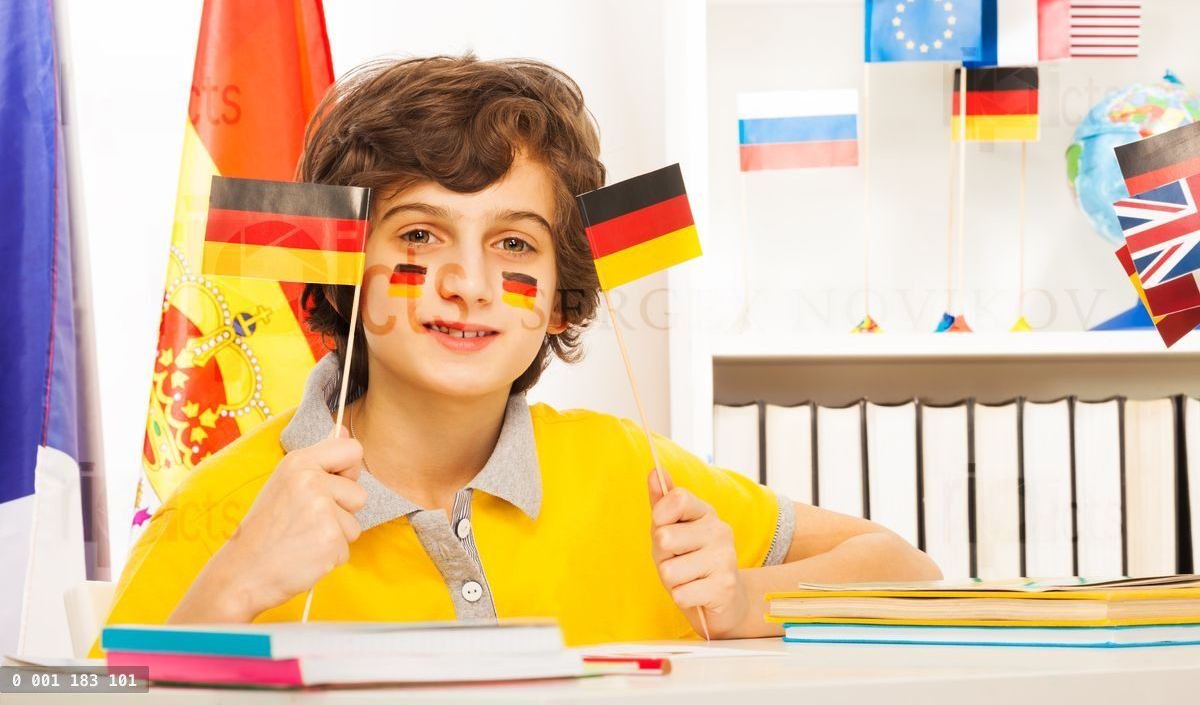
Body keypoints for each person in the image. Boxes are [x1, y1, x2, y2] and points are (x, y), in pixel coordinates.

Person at [95, 55, 939, 652]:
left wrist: (742, 596)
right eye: (421, 236)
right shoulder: (224, 509)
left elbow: (907, 571)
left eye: (516, 247)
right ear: (346, 266)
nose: (469, 283)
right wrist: (231, 589)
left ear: (563, 295)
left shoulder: (629, 470)